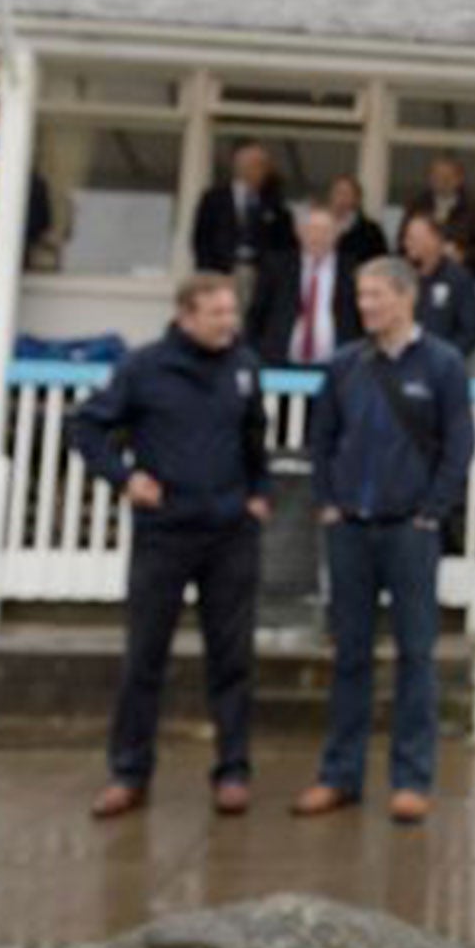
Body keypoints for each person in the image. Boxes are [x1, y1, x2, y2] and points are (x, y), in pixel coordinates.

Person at [71, 274, 270, 819]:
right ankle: (129, 771)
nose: (228, 322)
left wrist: (259, 495)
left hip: (230, 533)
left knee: (232, 658)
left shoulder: (245, 366)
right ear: (186, 315)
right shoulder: (143, 367)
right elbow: (87, 427)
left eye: (232, 311)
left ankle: (232, 770)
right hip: (165, 532)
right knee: (145, 656)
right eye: (216, 313)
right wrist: (123, 478)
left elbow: (255, 437)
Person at [292, 257, 474, 826]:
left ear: (405, 297)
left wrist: (431, 512)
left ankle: (411, 780)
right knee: (349, 656)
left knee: (415, 657)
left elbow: (459, 447)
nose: (365, 305)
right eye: (361, 295)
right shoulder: (346, 364)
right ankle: (338, 775)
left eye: (374, 295)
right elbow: (320, 440)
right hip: (349, 530)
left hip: (410, 533)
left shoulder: (442, 364)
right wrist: (327, 502)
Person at [248, 206, 360, 368]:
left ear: (337, 233)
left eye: (325, 230)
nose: (318, 236)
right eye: (312, 229)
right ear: (299, 232)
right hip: (280, 365)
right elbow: (256, 315)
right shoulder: (277, 266)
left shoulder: (351, 270)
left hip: (337, 368)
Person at [190, 140, 296, 306]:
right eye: (255, 164)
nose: (261, 170)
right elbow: (201, 238)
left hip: (260, 274)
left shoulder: (275, 203)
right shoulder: (215, 198)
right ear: (239, 166)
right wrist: (207, 273)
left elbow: (285, 245)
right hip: (222, 272)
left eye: (263, 165)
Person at [401, 212, 475, 361]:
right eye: (406, 238)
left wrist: (445, 359)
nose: (407, 244)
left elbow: (470, 330)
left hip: (441, 368)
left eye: (413, 238)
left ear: (435, 240)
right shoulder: (400, 276)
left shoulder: (458, 279)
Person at [403, 155, 475, 281]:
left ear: (459, 179)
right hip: (421, 280)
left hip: (460, 281)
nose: (441, 181)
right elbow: (401, 246)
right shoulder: (416, 206)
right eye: (436, 176)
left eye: (447, 177)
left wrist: (462, 255)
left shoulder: (474, 211)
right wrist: (422, 249)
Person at [326, 175, 388, 272]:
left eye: (346, 194)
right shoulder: (319, 227)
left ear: (357, 199)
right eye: (338, 192)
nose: (341, 198)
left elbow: (380, 264)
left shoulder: (371, 231)